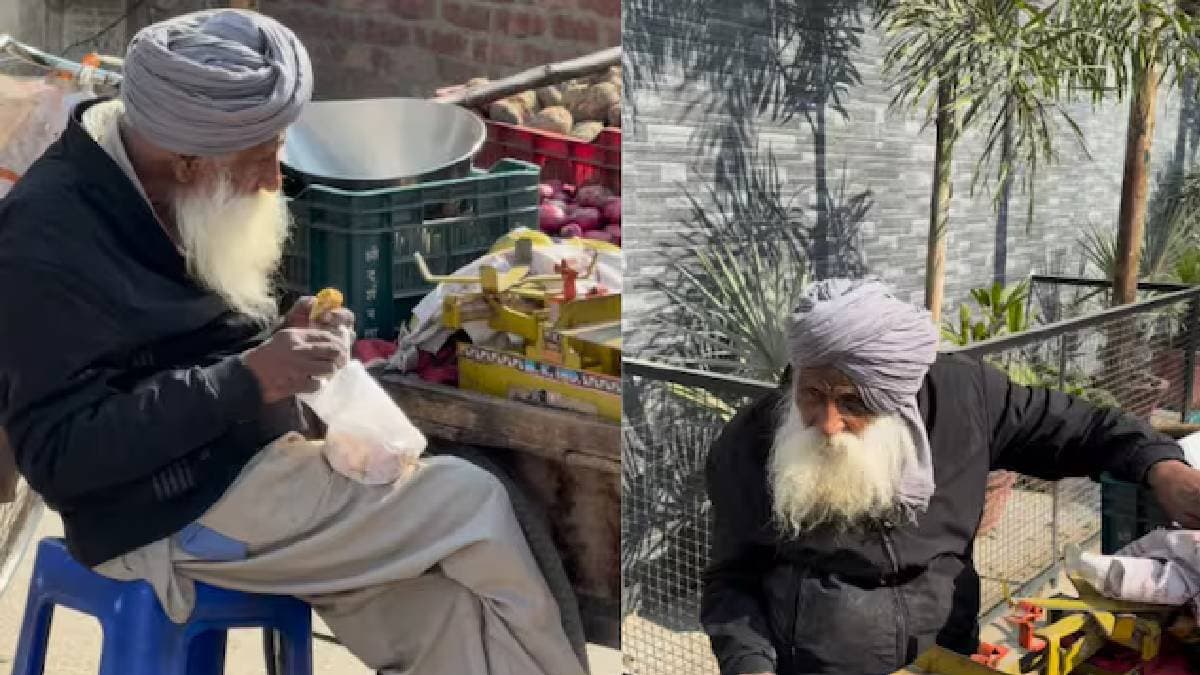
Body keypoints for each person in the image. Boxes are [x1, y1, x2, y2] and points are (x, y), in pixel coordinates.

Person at [0, 10, 586, 675]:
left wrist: (283, 337)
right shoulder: (46, 237)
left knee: (443, 610)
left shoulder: (166, 179)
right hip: (158, 510)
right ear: (190, 160)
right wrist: (249, 379)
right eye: (260, 159)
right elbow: (60, 455)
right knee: (473, 501)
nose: (275, 180)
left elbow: (192, 338)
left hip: (244, 468)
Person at [700, 278, 1200, 675]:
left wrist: (1163, 467)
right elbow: (731, 580)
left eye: (853, 402)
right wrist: (750, 667)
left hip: (951, 653)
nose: (828, 423)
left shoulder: (965, 398)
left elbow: (1082, 428)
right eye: (813, 394)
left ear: (898, 394)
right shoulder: (750, 442)